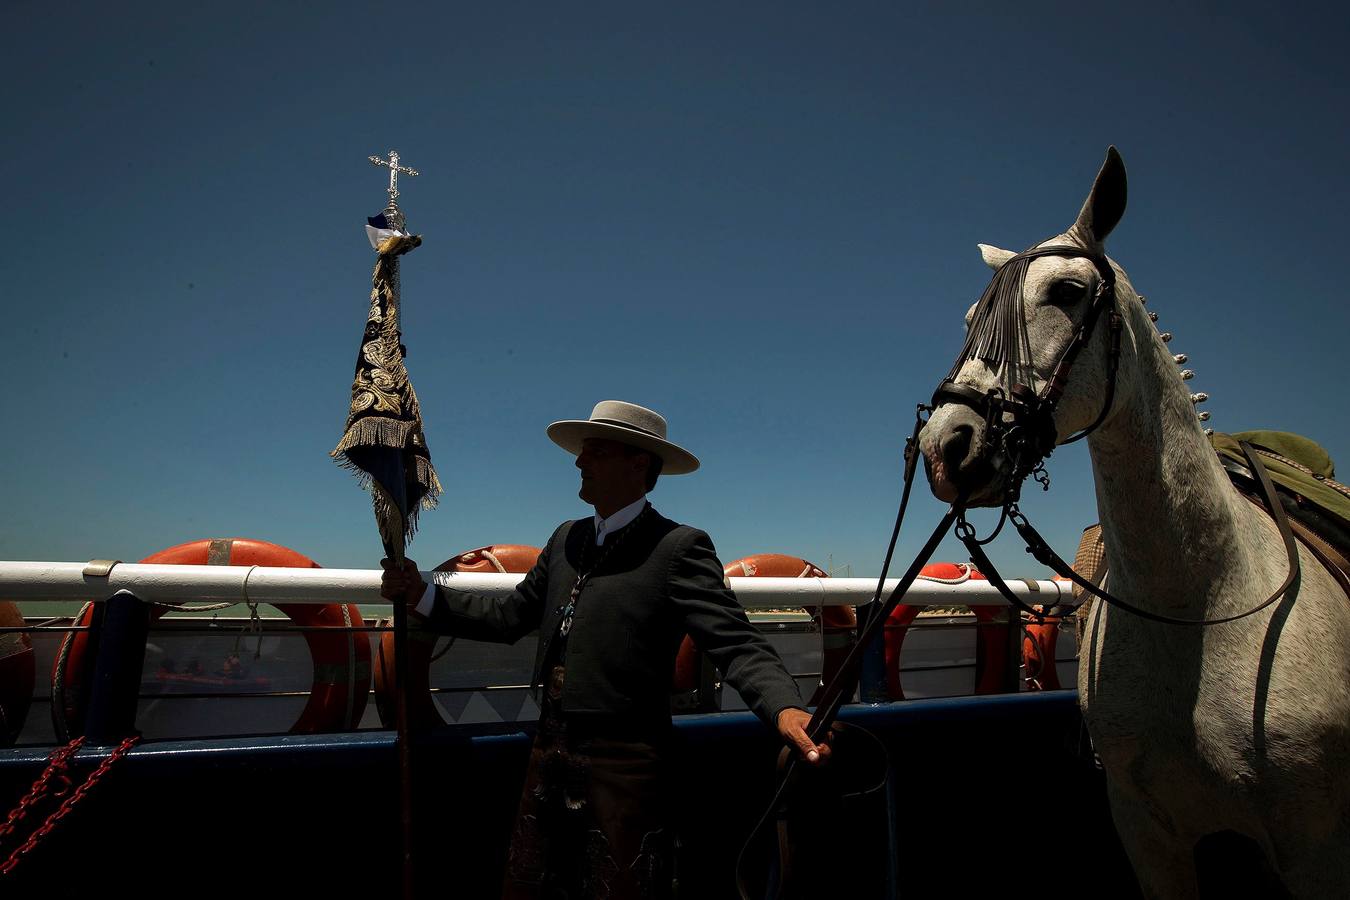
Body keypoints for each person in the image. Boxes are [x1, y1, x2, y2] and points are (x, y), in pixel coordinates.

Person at [380, 399, 828, 899]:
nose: (578, 462)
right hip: (550, 750)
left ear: (638, 463)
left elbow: (736, 641)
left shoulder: (678, 547)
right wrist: (420, 594)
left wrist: (785, 708)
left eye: (595, 451)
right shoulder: (566, 538)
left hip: (628, 761)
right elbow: (510, 617)